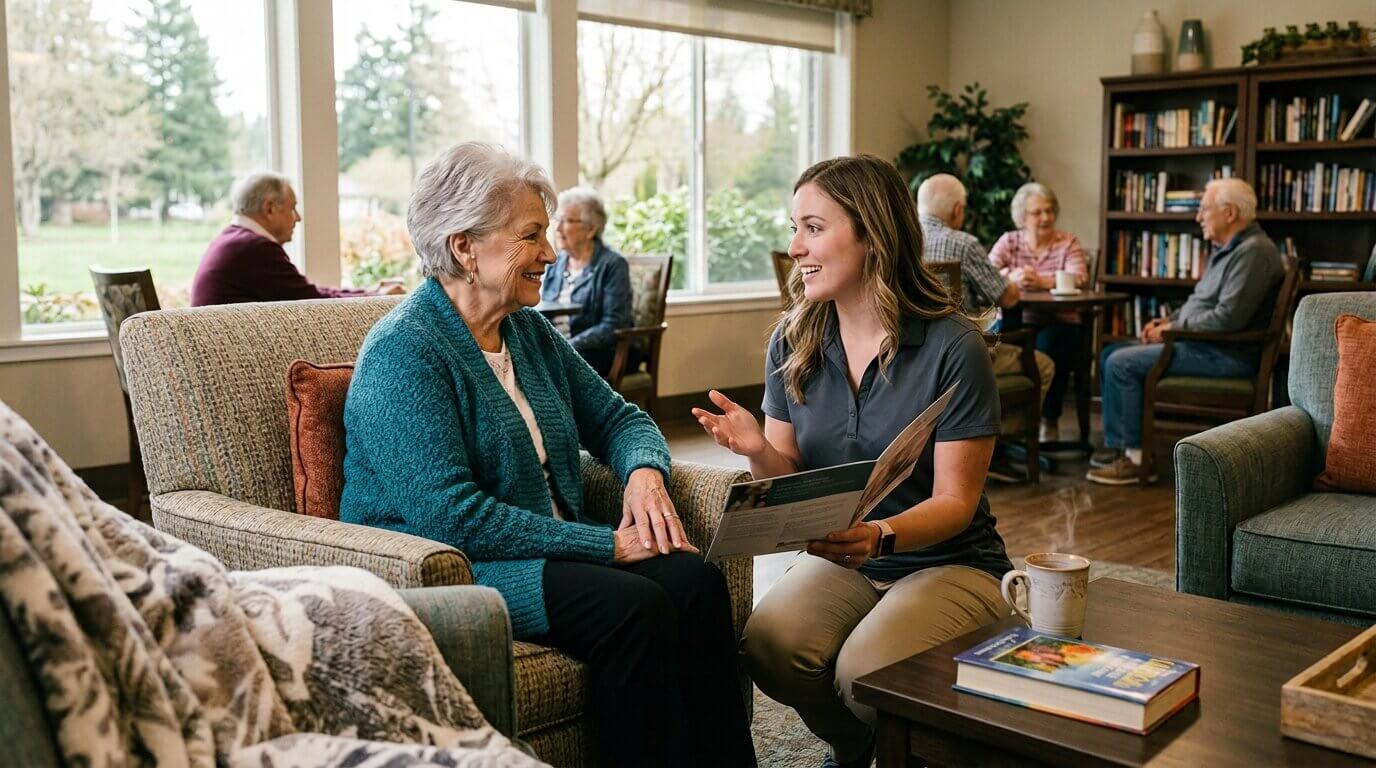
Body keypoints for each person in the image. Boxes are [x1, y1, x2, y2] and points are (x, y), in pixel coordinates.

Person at [339, 143, 755, 768]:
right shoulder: (405, 351)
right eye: (531, 235)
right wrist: (607, 546)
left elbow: (619, 418)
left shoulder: (525, 331)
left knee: (695, 583)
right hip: (456, 567)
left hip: (546, 549)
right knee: (634, 609)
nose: (550, 253)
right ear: (464, 247)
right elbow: (450, 517)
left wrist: (644, 474)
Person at [694, 155, 1012, 768]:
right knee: (769, 645)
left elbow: (955, 502)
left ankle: (910, 747)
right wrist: (758, 451)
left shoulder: (954, 346)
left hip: (951, 561)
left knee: (865, 672)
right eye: (794, 228)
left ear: (872, 235)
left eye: (813, 228)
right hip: (848, 558)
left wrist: (879, 535)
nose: (795, 247)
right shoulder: (793, 341)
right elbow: (791, 480)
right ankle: (858, 742)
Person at [1087, 178, 1283, 485]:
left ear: (1230, 213)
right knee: (1111, 352)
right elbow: (1199, 303)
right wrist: (1167, 322)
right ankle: (1126, 449)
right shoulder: (1229, 249)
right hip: (1202, 345)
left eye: (1204, 209)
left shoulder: (1254, 253)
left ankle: (1137, 461)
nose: (1198, 217)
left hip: (1225, 355)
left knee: (1121, 363)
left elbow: (1228, 318)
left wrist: (1172, 329)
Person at [917, 173, 1055, 409]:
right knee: (1044, 365)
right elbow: (1007, 298)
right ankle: (1000, 432)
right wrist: (1011, 280)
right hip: (959, 357)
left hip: (911, 358)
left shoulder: (897, 241)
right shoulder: (963, 244)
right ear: (958, 209)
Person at [190, 171, 404, 306]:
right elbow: (310, 301)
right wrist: (376, 297)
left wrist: (371, 292)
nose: (298, 218)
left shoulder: (233, 240)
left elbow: (304, 291)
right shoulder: (254, 248)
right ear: (270, 208)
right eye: (292, 208)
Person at [988, 182, 1089, 443]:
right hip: (1017, 320)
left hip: (1061, 320)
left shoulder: (1067, 242)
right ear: (1022, 217)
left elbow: (1079, 277)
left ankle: (1047, 419)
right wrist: (1013, 276)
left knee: (1048, 348)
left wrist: (1042, 281)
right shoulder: (1009, 241)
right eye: (1037, 212)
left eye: (1049, 211)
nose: (1046, 217)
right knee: (1000, 344)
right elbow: (988, 272)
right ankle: (1010, 423)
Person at [540, 187, 633, 377]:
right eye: (557, 219)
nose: (557, 228)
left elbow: (614, 323)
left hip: (597, 351)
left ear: (590, 229)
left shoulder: (613, 264)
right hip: (558, 347)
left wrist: (568, 346)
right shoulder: (556, 264)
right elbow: (545, 310)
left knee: (546, 370)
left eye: (567, 221)